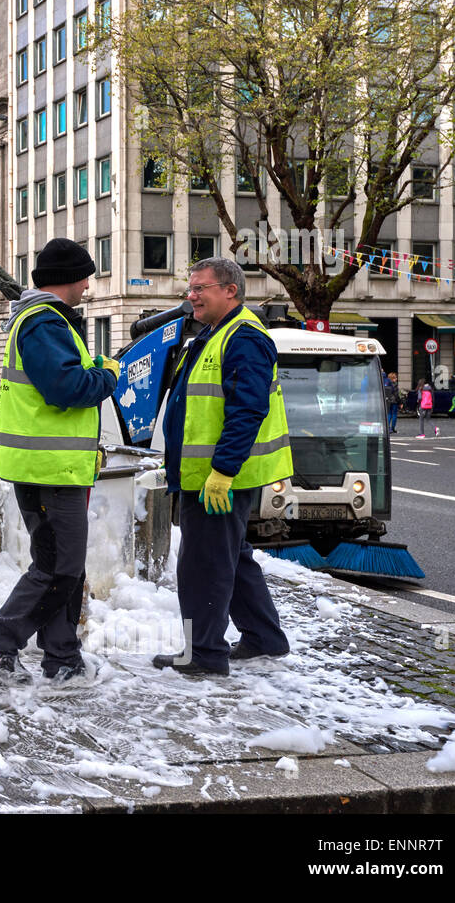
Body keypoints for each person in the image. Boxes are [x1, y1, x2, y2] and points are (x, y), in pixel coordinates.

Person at [0, 238, 119, 684]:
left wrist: (90, 367)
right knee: (60, 566)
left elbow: (58, 379)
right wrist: (107, 375)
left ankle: (62, 658)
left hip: (53, 468)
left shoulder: (48, 321)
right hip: (48, 470)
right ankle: (2, 636)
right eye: (87, 278)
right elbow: (66, 388)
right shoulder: (44, 323)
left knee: (63, 566)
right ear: (73, 279)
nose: (89, 286)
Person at [155, 257, 294, 677]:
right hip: (210, 476)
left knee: (203, 564)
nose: (190, 296)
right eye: (190, 288)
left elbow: (248, 409)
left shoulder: (244, 337)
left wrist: (223, 470)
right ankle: (264, 638)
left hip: (218, 479)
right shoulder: (215, 333)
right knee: (230, 557)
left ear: (230, 289)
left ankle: (204, 654)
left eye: (200, 288)